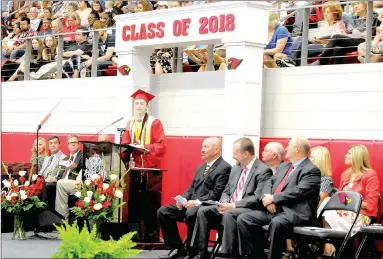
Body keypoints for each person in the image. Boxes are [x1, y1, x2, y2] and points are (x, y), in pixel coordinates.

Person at [237, 136, 321, 259]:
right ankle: (256, 256)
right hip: (273, 209)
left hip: (295, 213)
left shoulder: (311, 170)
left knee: (277, 223)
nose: (286, 148)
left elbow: (299, 192)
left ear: (297, 149)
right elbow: (268, 183)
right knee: (245, 219)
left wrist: (274, 198)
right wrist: (267, 200)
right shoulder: (284, 166)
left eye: (289, 146)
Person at [192, 137, 273, 259]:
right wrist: (224, 201)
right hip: (229, 205)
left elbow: (257, 197)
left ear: (245, 154)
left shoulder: (263, 170)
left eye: (235, 153)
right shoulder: (236, 168)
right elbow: (227, 190)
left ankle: (229, 253)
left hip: (248, 208)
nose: (233, 156)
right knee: (203, 210)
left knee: (230, 213)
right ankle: (201, 252)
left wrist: (234, 205)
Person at [157, 137, 231, 259]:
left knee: (192, 213)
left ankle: (193, 250)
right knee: (163, 211)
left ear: (216, 150)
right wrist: (183, 199)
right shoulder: (200, 167)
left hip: (206, 207)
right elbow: (191, 188)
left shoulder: (224, 168)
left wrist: (196, 202)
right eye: (202, 147)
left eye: (206, 147)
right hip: (190, 205)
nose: (202, 150)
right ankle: (177, 247)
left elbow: (216, 193)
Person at [321, 144, 379, 257]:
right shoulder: (345, 175)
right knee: (325, 209)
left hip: (362, 215)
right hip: (343, 214)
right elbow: (341, 199)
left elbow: (371, 205)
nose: (345, 155)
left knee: (328, 214)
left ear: (357, 156)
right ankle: (332, 246)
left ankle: (331, 246)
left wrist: (349, 202)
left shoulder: (370, 175)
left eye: (349, 154)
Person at [124, 89, 166, 168]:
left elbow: (160, 145)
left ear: (146, 107)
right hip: (133, 164)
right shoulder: (129, 123)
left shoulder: (155, 122)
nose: (139, 106)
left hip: (149, 164)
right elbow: (125, 145)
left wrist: (143, 147)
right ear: (134, 106)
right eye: (136, 103)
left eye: (141, 104)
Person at [55, 135, 83, 219]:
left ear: (78, 144)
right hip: (64, 182)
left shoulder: (83, 156)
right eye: (70, 143)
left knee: (60, 183)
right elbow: (59, 174)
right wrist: (55, 178)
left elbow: (85, 169)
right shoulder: (65, 159)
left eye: (75, 142)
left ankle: (62, 220)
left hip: (77, 183)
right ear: (68, 146)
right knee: (50, 183)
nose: (73, 144)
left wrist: (76, 166)